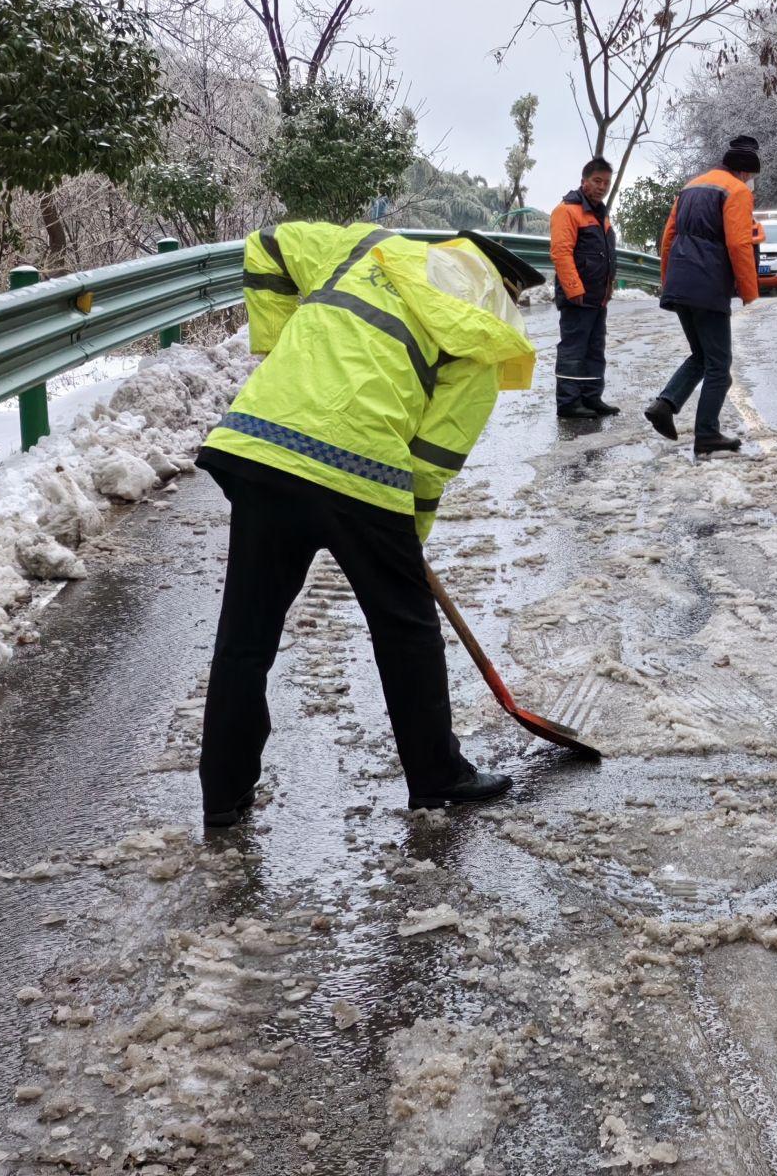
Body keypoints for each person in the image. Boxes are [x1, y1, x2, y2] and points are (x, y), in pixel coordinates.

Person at [195, 222, 543, 827]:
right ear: (505, 288)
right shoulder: (485, 333)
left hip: (259, 448)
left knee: (246, 635)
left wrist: (280, 352)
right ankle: (437, 775)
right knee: (406, 627)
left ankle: (223, 794)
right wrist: (409, 542)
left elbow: (268, 244)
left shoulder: (368, 248)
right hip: (357, 468)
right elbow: (433, 459)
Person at [645, 136, 761, 456]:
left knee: (702, 356)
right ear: (745, 172)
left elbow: (668, 237)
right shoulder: (735, 191)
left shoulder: (692, 186)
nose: (752, 183)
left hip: (682, 280)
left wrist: (669, 280)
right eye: (752, 177)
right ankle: (707, 434)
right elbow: (739, 244)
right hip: (708, 283)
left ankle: (665, 404)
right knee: (719, 365)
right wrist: (749, 290)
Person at [549, 157, 620, 416]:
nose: (602, 187)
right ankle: (568, 403)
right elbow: (561, 253)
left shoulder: (600, 213)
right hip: (577, 296)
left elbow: (607, 255)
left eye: (606, 183)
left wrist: (609, 285)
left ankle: (591, 398)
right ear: (584, 181)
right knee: (573, 349)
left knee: (594, 349)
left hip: (597, 296)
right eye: (597, 181)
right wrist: (573, 288)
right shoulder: (567, 211)